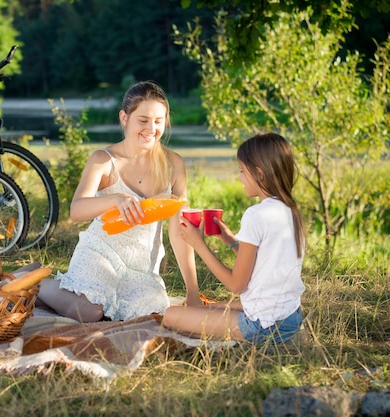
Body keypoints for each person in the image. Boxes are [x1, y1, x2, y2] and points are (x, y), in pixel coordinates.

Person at [24, 81, 201, 322]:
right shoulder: (103, 159)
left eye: (159, 121)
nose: (151, 128)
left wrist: (193, 292)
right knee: (91, 311)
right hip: (100, 253)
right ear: (124, 117)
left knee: (149, 315)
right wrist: (114, 199)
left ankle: (44, 283)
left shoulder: (174, 165)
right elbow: (76, 210)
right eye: (143, 120)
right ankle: (34, 281)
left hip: (141, 267)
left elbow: (180, 232)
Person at [162, 132, 306, 344]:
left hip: (261, 326)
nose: (239, 178)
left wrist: (198, 244)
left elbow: (236, 285)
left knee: (170, 315)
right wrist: (230, 240)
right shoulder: (290, 209)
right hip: (290, 317)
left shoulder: (256, 215)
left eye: (242, 171)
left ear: (259, 173)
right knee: (206, 308)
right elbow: (263, 259)